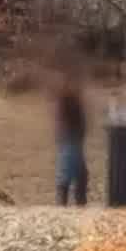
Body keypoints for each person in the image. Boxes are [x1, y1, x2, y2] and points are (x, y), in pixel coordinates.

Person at [53, 76, 88, 206]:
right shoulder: (67, 96)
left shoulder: (68, 96)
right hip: (70, 136)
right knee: (69, 173)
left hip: (70, 136)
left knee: (79, 174)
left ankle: (75, 205)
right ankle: (67, 206)